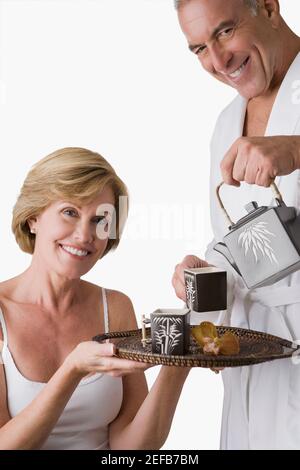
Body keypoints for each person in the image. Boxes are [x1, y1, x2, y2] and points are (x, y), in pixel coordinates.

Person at [172, 0, 300, 449]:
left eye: (225, 31)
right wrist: (207, 279)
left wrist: (299, 148)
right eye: (199, 49)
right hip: (252, 372)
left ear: (268, 7)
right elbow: (238, 242)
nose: (217, 61)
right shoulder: (226, 124)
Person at [0, 147, 189, 450]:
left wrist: (178, 362)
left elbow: (130, 449)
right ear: (33, 218)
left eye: (99, 219)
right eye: (70, 212)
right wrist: (73, 369)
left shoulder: (115, 307)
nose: (85, 235)